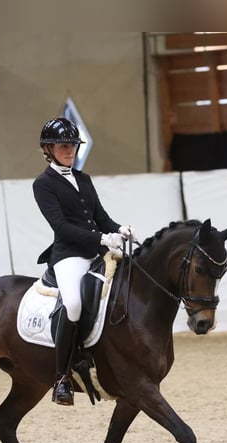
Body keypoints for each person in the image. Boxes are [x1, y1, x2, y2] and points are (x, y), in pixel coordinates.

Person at [33, 117, 133, 406]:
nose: (70, 151)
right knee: (74, 304)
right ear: (49, 149)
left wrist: (118, 230)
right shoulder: (43, 184)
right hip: (68, 255)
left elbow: (100, 218)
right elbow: (61, 227)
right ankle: (62, 377)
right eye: (64, 146)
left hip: (94, 250)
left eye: (73, 146)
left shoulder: (84, 179)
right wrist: (102, 240)